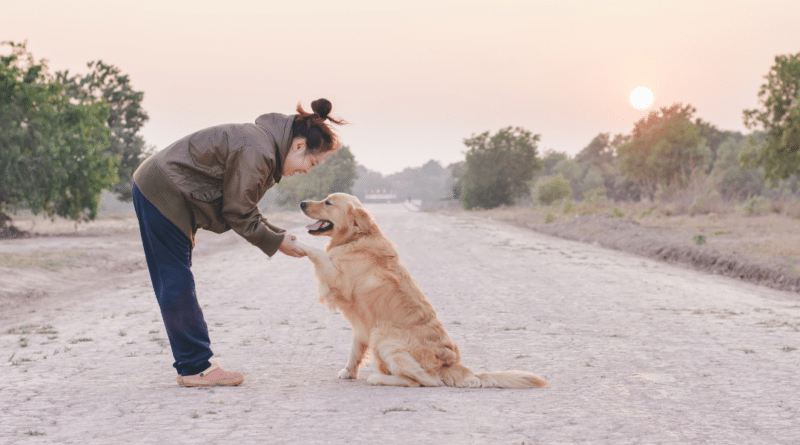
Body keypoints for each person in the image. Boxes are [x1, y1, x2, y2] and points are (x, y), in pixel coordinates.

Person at [131, 98, 345, 387]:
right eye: (312, 160)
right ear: (297, 145)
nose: (309, 169)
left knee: (174, 276)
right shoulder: (257, 150)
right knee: (175, 278)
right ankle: (196, 367)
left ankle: (191, 366)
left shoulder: (262, 146)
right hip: (164, 188)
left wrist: (278, 234)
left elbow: (241, 204)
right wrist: (277, 242)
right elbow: (237, 211)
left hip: (160, 185)